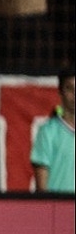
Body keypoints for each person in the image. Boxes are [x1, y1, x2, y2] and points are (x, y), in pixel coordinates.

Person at [31, 65, 75, 193]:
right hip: (57, 205)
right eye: (69, 88)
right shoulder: (47, 132)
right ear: (60, 92)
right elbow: (41, 188)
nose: (74, 94)